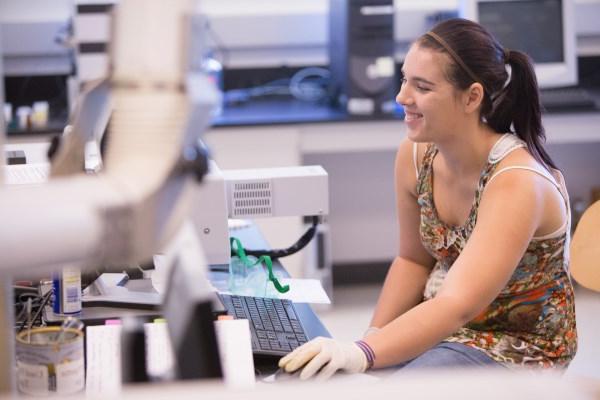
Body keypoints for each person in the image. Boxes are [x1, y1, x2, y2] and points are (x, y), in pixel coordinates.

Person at [278, 18, 577, 380]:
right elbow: (412, 261)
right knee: (325, 382)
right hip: (447, 328)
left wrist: (363, 354)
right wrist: (370, 343)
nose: (401, 97)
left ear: (472, 97)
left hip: (512, 346)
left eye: (422, 86)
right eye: (404, 79)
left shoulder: (516, 181)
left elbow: (457, 306)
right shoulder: (416, 155)